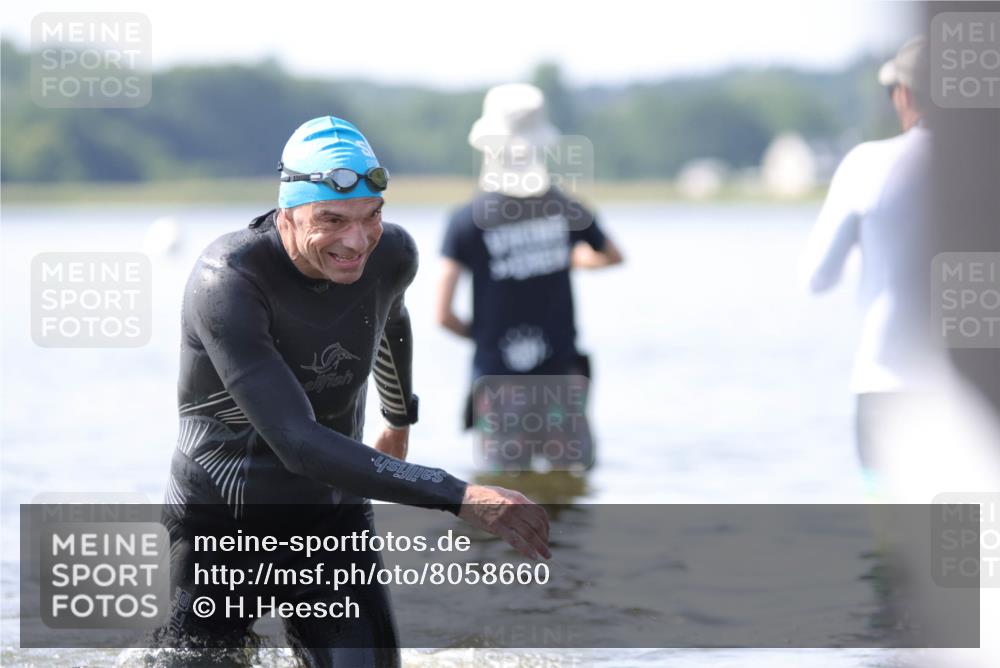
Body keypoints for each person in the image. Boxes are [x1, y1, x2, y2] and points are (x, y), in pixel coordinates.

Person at [156, 116, 550, 668]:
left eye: (372, 217)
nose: (356, 240)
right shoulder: (229, 281)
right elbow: (298, 442)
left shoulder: (392, 254)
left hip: (330, 520)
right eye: (332, 219)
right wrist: (459, 496)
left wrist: (398, 415)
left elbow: (391, 317)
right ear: (287, 211)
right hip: (221, 526)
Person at [436, 84, 623, 473]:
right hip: (560, 376)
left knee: (503, 499)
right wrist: (568, 257)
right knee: (570, 487)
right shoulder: (565, 207)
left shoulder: (465, 220)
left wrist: (483, 335)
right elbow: (611, 255)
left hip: (498, 382)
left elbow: (443, 314)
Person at [799, 37, 945, 492]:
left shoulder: (866, 164)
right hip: (975, 392)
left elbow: (817, 278)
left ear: (903, 94)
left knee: (892, 548)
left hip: (888, 386)